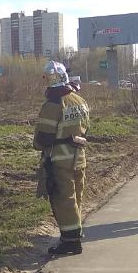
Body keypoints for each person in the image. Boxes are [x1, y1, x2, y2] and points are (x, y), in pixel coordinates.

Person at [33, 60, 91, 256]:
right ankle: (74, 234)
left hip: (59, 160)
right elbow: (86, 129)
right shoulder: (79, 100)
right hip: (79, 157)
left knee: (63, 199)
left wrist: (38, 145)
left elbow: (44, 138)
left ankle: (71, 242)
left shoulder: (53, 104)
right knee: (76, 197)